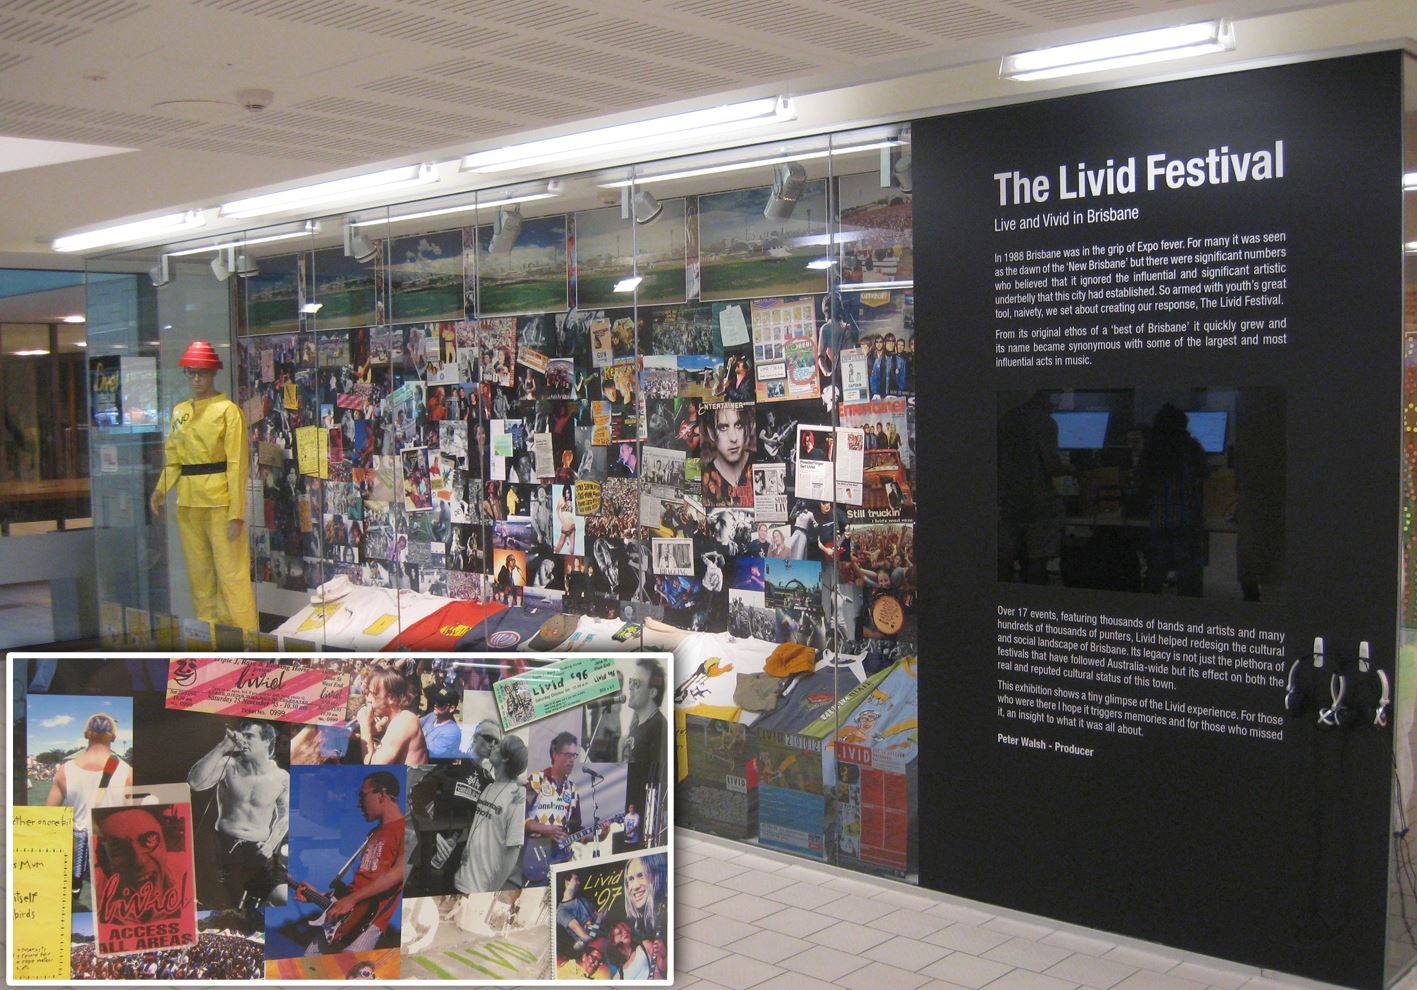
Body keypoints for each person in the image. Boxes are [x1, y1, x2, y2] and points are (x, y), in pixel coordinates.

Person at [149, 341, 258, 630]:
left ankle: (245, 639)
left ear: (212, 375)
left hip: (220, 501)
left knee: (231, 575)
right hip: (188, 502)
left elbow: (237, 465)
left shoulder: (228, 411)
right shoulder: (180, 412)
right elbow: (173, 457)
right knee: (200, 577)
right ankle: (209, 638)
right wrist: (161, 489)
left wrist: (237, 512)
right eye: (191, 373)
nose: (196, 379)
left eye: (202, 374)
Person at [292, 771, 405, 954]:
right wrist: (319, 895)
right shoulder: (373, 834)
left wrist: (351, 899)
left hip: (369, 920)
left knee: (350, 970)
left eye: (363, 795)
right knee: (309, 962)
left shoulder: (406, 828)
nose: (359, 803)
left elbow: (399, 872)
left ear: (382, 794)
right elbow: (355, 887)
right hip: (345, 916)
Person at [186, 719, 289, 910]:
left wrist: (271, 844)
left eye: (249, 736)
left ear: (267, 741)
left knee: (283, 896)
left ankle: (254, 910)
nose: (243, 741)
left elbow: (285, 815)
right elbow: (194, 783)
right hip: (224, 846)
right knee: (223, 905)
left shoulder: (281, 777)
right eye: (242, 736)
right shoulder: (229, 765)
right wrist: (222, 747)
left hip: (258, 851)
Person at [46, 712, 133, 904]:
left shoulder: (65, 770)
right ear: (114, 737)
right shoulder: (127, 772)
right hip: (110, 844)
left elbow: (48, 816)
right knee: (114, 898)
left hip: (77, 844)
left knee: (73, 895)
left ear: (86, 735)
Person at [997, 391, 1070, 584]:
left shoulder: (1007, 419)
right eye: (1058, 394)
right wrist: (1075, 468)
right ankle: (1034, 603)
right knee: (1038, 558)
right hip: (1039, 503)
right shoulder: (1045, 423)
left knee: (1005, 558)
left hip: (1008, 499)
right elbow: (1052, 466)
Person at [1138, 403, 1209, 596]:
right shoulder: (1191, 449)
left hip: (1159, 520)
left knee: (1156, 571)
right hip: (1187, 521)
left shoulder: (1151, 452)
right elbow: (1204, 474)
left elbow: (1142, 484)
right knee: (1188, 577)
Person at [452, 735, 529, 894]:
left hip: (480, 890)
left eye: (499, 746)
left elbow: (513, 852)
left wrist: (492, 892)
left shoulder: (516, 796)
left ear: (506, 758)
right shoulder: (488, 786)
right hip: (461, 879)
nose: (493, 746)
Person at [92, 805, 188, 924]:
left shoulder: (187, 872)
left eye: (149, 839)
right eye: (119, 848)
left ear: (164, 842)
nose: (139, 861)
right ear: (103, 859)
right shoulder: (93, 895)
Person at [523, 731, 585, 884]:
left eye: (574, 756)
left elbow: (575, 830)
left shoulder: (572, 789)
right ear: (555, 755)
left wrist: (599, 834)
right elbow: (519, 817)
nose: (572, 760)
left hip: (559, 859)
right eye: (567, 755)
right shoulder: (537, 779)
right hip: (534, 856)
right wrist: (545, 829)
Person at [355, 667, 429, 765]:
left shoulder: (404, 721)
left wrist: (365, 723)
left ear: (391, 698)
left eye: (373, 694)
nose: (368, 699)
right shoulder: (394, 719)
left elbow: (373, 766)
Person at [622, 856, 667, 976]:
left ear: (656, 876)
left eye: (641, 876)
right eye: (630, 879)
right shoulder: (635, 924)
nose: (635, 886)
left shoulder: (667, 913)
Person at [620, 658, 666, 769]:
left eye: (636, 683)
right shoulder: (636, 724)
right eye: (630, 681)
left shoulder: (659, 728)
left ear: (652, 692)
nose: (630, 687)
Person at [702, 404, 752, 505]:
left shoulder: (758, 462)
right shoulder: (705, 478)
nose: (733, 438)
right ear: (711, 433)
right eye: (723, 427)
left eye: (739, 425)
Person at [417, 687, 463, 760]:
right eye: (435, 701)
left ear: (451, 708)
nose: (435, 705)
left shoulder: (452, 732)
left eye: (440, 703)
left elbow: (428, 753)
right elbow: (414, 724)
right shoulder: (432, 715)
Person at [555, 485, 577, 554]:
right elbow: (557, 510)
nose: (567, 495)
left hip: (572, 527)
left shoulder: (570, 501)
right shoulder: (561, 500)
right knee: (557, 549)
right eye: (566, 493)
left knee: (571, 551)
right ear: (563, 492)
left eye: (568, 493)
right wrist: (561, 520)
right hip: (565, 528)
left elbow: (570, 514)